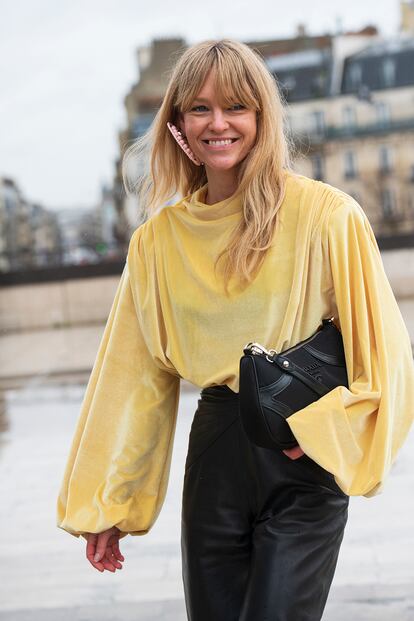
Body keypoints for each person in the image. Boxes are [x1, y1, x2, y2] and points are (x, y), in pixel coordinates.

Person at [56, 39, 414, 620]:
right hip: (216, 452)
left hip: (301, 457)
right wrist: (108, 504)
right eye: (199, 108)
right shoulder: (157, 242)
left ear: (262, 118)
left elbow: (389, 358)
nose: (217, 123)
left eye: (236, 107)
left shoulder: (328, 216)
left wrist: (323, 432)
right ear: (177, 125)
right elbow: (132, 378)